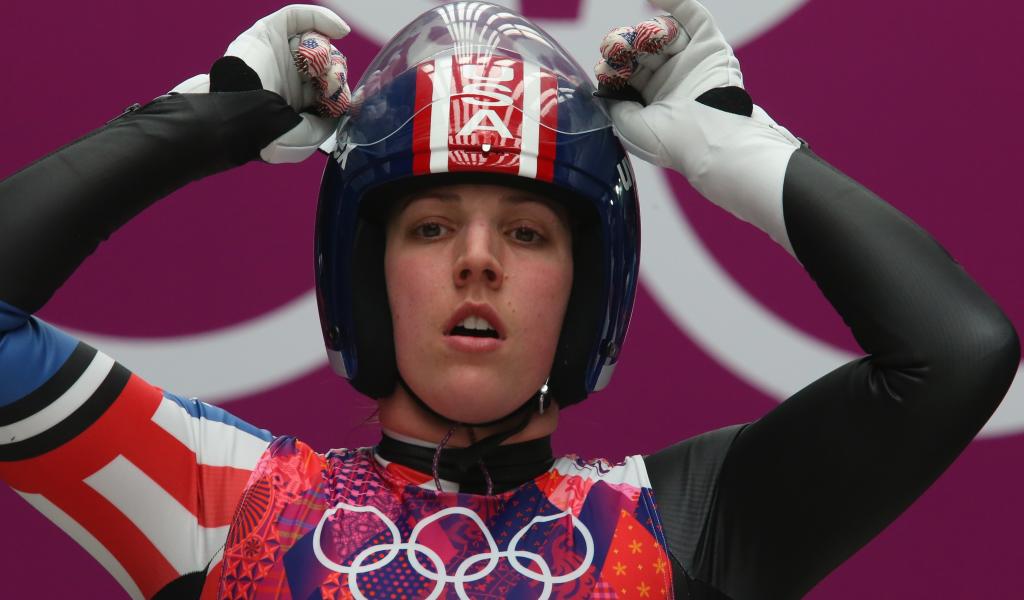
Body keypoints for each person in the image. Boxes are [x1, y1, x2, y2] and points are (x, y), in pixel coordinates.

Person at [0, 1, 1017, 598]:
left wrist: (736, 145)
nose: (478, 262)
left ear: (588, 290)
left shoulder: (679, 530)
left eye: (527, 233)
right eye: (430, 227)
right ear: (365, 276)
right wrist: (195, 121)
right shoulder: (226, 507)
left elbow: (956, 355)